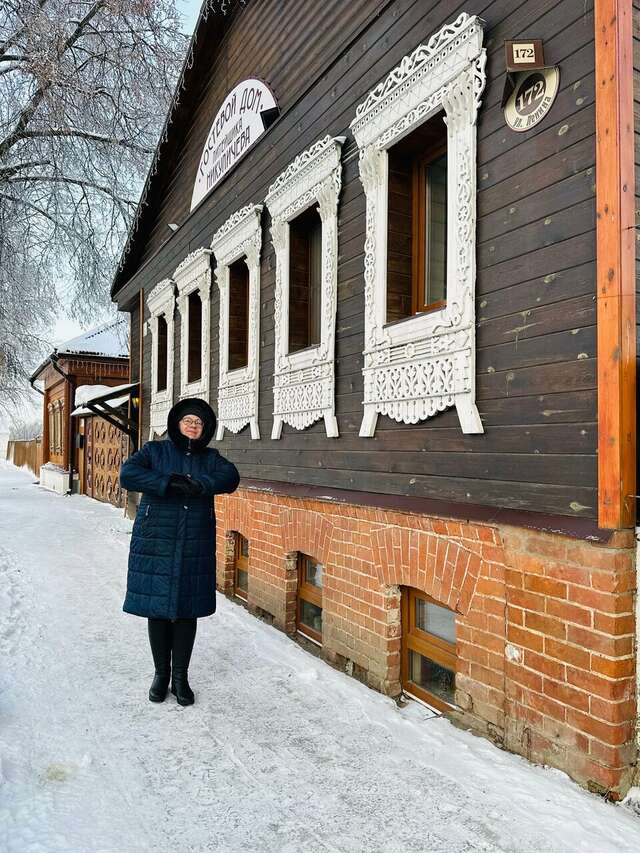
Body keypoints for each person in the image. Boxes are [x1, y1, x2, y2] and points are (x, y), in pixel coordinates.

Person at [119, 397, 239, 706]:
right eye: (188, 421)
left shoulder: (211, 459)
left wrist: (199, 484)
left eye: (198, 423)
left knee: (186, 610)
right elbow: (128, 474)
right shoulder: (155, 451)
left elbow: (231, 478)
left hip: (193, 541)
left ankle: (181, 678)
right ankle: (161, 675)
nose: (192, 426)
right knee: (158, 609)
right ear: (176, 423)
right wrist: (168, 482)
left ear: (205, 429)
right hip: (156, 539)